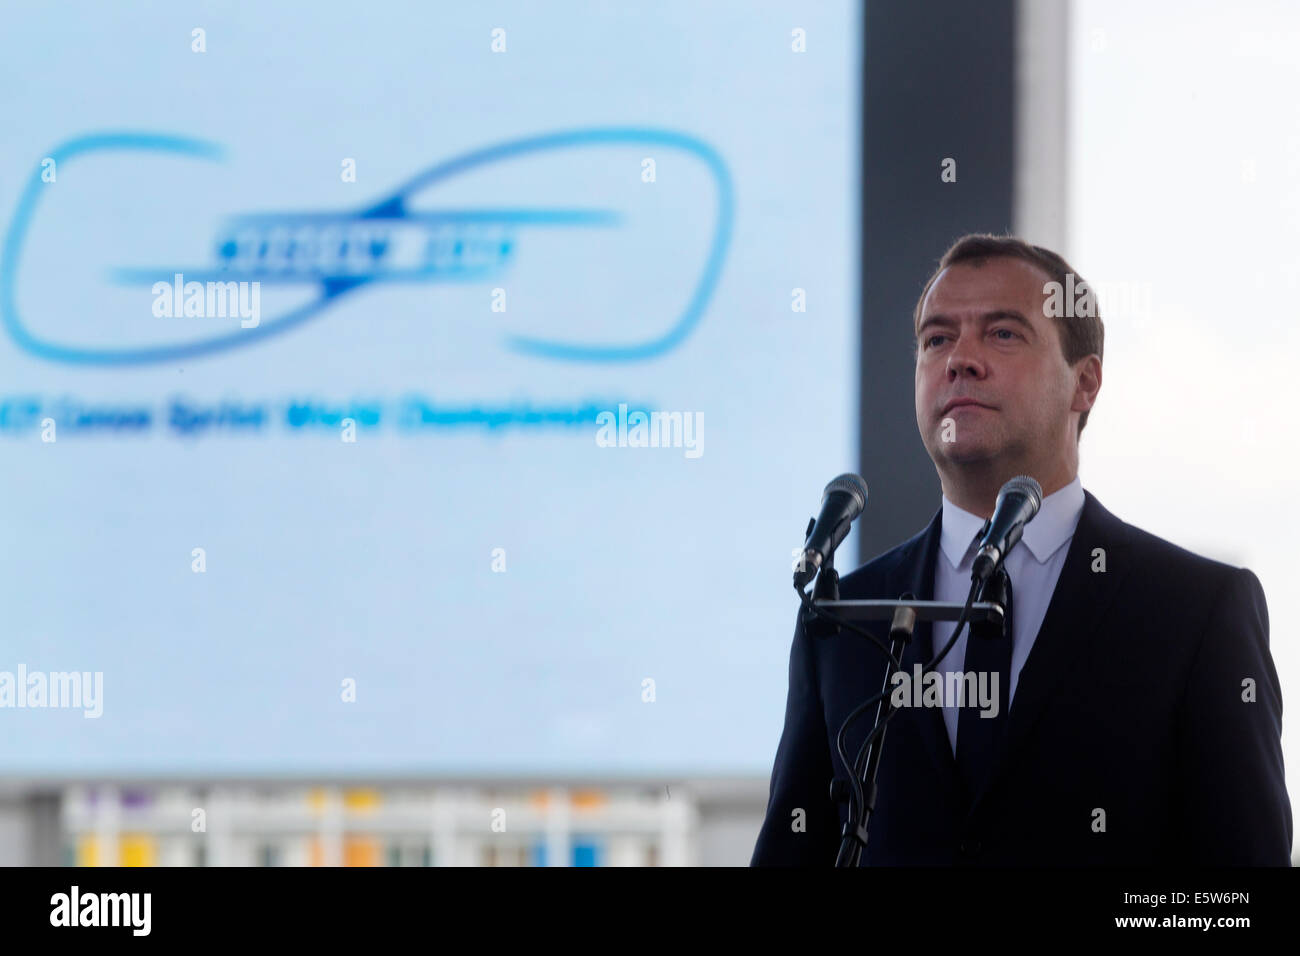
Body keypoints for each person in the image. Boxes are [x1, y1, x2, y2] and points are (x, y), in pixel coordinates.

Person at [751, 234, 1292, 865]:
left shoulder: (1197, 611)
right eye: (937, 339)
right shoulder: (845, 618)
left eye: (1002, 334)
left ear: (1084, 384)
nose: (960, 360)